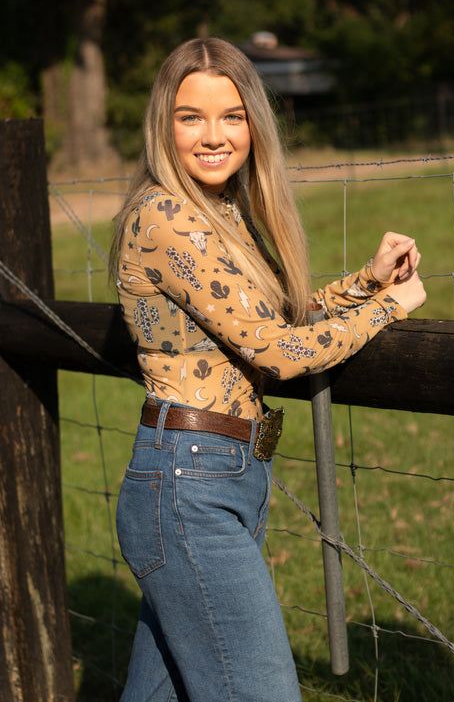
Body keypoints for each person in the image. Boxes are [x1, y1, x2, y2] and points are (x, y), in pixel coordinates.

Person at [111, 36, 426, 702]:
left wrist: (366, 283)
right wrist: (387, 310)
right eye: (190, 116)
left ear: (253, 122)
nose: (213, 135)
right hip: (188, 484)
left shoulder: (221, 213)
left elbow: (272, 318)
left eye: (231, 115)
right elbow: (278, 353)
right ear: (162, 125)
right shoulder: (166, 218)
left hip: (216, 477)